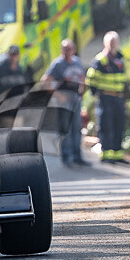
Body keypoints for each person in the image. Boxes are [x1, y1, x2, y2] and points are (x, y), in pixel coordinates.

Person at [41, 39, 89, 167]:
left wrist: (82, 92)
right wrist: (58, 95)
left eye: (70, 49)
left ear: (74, 50)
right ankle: (67, 156)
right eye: (66, 49)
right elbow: (45, 81)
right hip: (64, 102)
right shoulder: (58, 64)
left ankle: (77, 156)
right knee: (66, 129)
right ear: (62, 50)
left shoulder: (77, 62)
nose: (68, 52)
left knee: (77, 128)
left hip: (75, 100)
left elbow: (82, 78)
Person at [86, 31, 129, 164]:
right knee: (106, 126)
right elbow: (91, 79)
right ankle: (106, 154)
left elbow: (123, 80)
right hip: (105, 97)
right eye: (110, 43)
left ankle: (117, 154)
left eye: (114, 42)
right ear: (105, 44)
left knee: (118, 125)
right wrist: (96, 94)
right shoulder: (101, 60)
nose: (113, 45)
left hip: (118, 98)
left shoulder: (120, 59)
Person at [0, 44, 34, 113]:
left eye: (15, 54)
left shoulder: (21, 71)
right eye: (11, 54)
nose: (13, 57)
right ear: (7, 54)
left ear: (18, 55)